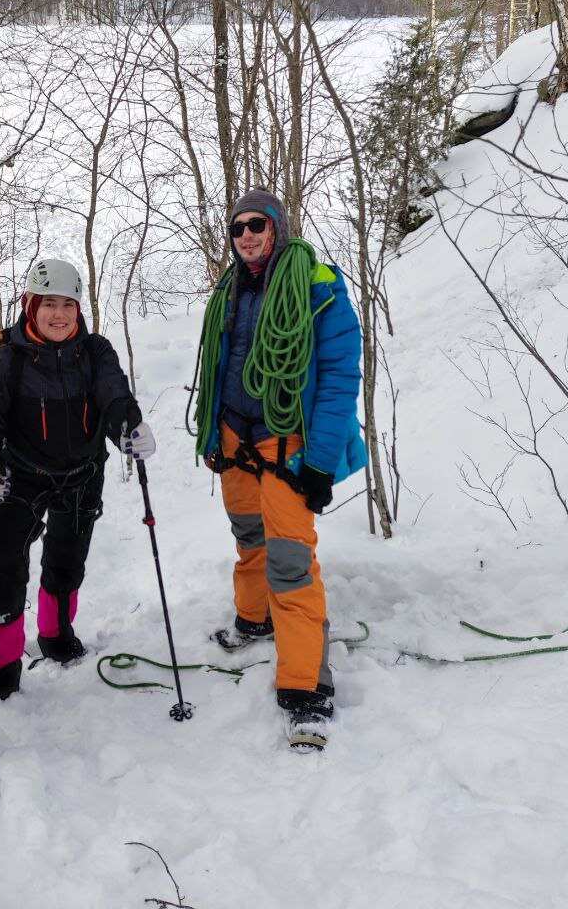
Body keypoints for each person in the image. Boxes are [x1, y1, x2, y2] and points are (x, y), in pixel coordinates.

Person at [192, 189, 366, 748]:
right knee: (250, 537)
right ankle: (254, 618)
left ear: (277, 227)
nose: (246, 236)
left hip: (289, 443)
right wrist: (213, 431)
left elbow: (340, 377)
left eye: (257, 225)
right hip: (235, 436)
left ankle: (306, 690)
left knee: (291, 560)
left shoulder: (318, 286)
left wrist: (318, 464)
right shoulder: (229, 288)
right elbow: (218, 364)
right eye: (238, 227)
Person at [0, 258, 156, 701]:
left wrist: (129, 427)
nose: (59, 315)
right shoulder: (6, 361)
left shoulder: (95, 351)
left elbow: (114, 397)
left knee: (67, 560)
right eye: (48, 304)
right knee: (1, 570)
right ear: (30, 306)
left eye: (67, 305)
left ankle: (55, 635)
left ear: (79, 310)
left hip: (82, 475)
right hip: (21, 478)